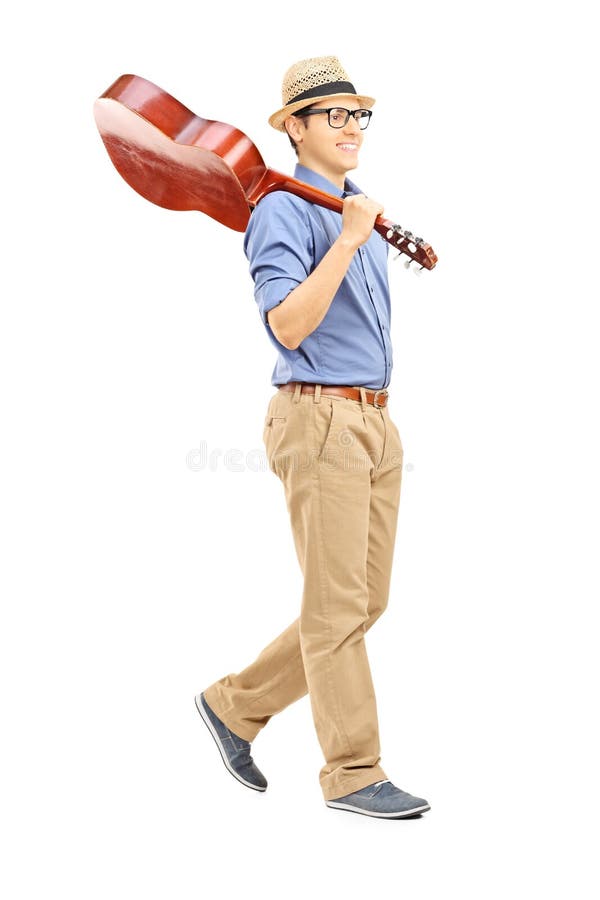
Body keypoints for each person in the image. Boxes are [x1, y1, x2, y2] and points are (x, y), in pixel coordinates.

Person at [195, 56, 430, 819]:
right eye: (334, 115)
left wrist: (358, 226)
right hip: (318, 415)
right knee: (336, 609)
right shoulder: (283, 212)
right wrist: (347, 242)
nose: (352, 127)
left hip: (375, 420)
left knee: (361, 603)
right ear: (294, 127)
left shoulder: (354, 205)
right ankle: (354, 772)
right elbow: (287, 325)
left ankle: (233, 706)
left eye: (359, 114)